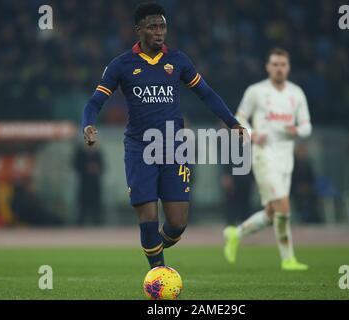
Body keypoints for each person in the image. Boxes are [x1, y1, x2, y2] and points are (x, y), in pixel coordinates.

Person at [81, 2, 247, 269]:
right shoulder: (121, 65)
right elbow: (94, 102)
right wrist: (88, 125)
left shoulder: (178, 60)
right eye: (152, 27)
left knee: (178, 225)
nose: (159, 32)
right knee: (147, 215)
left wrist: (232, 123)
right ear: (139, 30)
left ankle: (153, 244)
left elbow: (207, 93)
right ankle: (158, 273)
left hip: (174, 147)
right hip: (139, 149)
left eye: (162, 26)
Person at [223, 48, 312, 271]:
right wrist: (252, 134)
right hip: (263, 155)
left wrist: (297, 130)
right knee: (283, 204)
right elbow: (238, 118)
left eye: (283, 64)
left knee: (274, 212)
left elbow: (307, 126)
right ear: (267, 67)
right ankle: (288, 259)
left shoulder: (296, 93)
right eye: (275, 64)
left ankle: (236, 233)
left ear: (288, 67)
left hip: (285, 157)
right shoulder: (256, 91)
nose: (279, 68)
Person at [73, 144, 105, 226]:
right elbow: (76, 166)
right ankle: (80, 224)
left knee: (96, 206)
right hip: (84, 183)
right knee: (83, 205)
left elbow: (103, 167)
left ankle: (97, 223)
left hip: (95, 183)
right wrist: (86, 168)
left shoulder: (97, 153)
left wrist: (96, 169)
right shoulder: (81, 153)